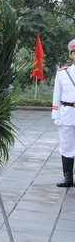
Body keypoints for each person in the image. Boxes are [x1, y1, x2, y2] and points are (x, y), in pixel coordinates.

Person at [53, 40, 75, 187]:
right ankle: (68, 177)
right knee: (67, 145)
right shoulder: (63, 73)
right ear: (71, 55)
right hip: (68, 113)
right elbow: (57, 95)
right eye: (74, 53)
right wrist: (56, 115)